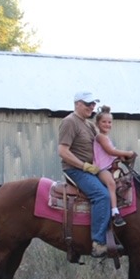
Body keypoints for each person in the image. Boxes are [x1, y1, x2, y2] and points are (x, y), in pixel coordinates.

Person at [58, 91, 112, 258]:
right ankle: (98, 243)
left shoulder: (88, 125)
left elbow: (103, 143)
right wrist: (85, 166)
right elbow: (62, 151)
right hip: (76, 170)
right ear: (77, 104)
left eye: (93, 104)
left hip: (91, 169)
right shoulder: (69, 122)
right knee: (102, 196)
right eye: (88, 103)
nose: (91, 107)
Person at [93, 105, 136, 227]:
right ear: (97, 123)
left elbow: (111, 154)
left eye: (109, 122)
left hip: (108, 166)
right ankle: (115, 212)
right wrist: (128, 153)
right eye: (104, 122)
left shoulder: (106, 137)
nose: (107, 124)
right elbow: (110, 151)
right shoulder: (100, 137)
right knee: (111, 183)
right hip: (101, 168)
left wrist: (120, 158)